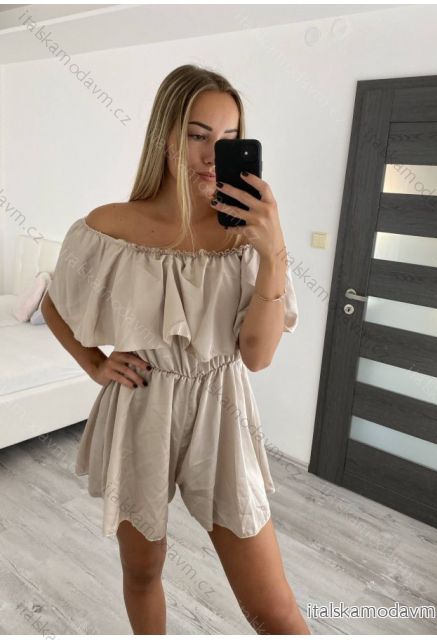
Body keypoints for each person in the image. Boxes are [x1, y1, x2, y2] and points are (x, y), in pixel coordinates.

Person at [42, 63, 308, 635]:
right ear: (164, 134)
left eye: (229, 140)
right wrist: (95, 363)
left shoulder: (247, 235)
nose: (213, 156)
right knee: (143, 572)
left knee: (274, 610)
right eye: (197, 135)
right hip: (142, 403)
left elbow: (257, 357)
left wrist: (274, 253)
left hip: (222, 410)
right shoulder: (109, 227)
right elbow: (54, 303)